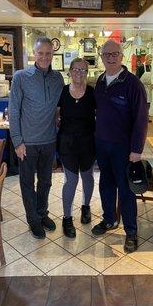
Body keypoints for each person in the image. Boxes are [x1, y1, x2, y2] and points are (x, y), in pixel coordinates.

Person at [92, 40, 148, 253]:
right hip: (102, 144)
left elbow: (141, 119)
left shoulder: (133, 83)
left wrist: (136, 149)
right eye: (107, 54)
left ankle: (131, 232)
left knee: (126, 190)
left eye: (115, 54)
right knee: (106, 185)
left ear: (122, 56)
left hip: (124, 148)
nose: (111, 57)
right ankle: (109, 220)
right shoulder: (100, 81)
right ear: (102, 57)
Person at [9, 37, 64, 239]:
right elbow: (13, 109)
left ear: (52, 55)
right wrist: (17, 141)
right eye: (41, 53)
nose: (44, 57)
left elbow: (58, 107)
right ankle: (33, 220)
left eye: (48, 53)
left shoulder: (58, 78)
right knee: (26, 183)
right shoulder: (21, 77)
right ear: (34, 54)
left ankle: (42, 214)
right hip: (27, 143)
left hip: (49, 141)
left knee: (46, 182)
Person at [57, 58, 96, 238]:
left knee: (87, 176)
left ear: (87, 73)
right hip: (67, 143)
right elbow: (55, 116)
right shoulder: (63, 92)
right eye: (76, 69)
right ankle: (67, 218)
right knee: (71, 180)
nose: (79, 73)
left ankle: (86, 206)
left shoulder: (92, 92)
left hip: (88, 142)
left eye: (83, 70)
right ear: (70, 72)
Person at [136, 54, 153, 122]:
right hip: (141, 87)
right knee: (142, 103)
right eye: (149, 60)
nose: (151, 61)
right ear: (146, 59)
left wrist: (151, 85)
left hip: (148, 87)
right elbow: (137, 79)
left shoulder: (150, 67)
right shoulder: (140, 67)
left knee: (148, 103)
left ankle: (146, 117)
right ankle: (140, 118)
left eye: (151, 60)